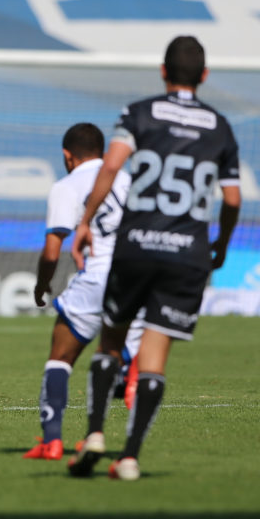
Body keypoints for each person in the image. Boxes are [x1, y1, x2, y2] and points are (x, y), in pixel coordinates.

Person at [68, 36, 241, 481]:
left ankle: (93, 435)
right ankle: (130, 457)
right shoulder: (220, 127)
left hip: (136, 246)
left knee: (111, 341)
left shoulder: (140, 112)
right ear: (204, 77)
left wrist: (86, 221)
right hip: (187, 253)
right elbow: (234, 197)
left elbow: (110, 168)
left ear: (163, 72)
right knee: (154, 355)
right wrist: (221, 241)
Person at [24, 123, 142, 461]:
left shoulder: (67, 185)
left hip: (97, 276)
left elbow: (51, 251)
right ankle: (124, 441)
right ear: (103, 152)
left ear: (67, 155)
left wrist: (42, 284)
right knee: (121, 355)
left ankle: (52, 441)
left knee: (60, 358)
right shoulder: (128, 179)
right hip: (135, 278)